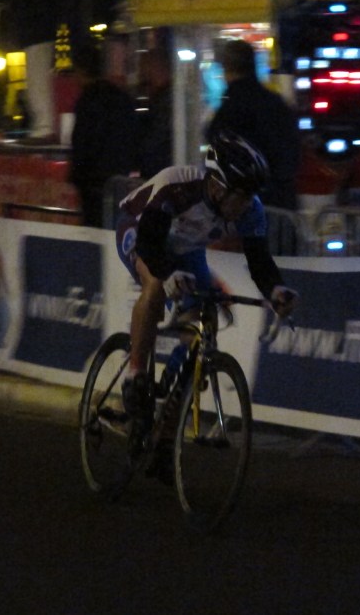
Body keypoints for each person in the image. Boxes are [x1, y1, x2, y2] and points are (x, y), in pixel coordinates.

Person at [115, 130, 297, 445]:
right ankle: (136, 376)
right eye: (240, 196)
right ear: (217, 186)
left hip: (187, 248)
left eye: (250, 196)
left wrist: (276, 291)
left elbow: (259, 261)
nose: (246, 204)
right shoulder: (177, 186)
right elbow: (149, 245)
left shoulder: (250, 210)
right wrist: (168, 274)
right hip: (140, 231)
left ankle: (171, 408)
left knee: (203, 320)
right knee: (156, 285)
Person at [206, 39, 301, 210]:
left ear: (227, 69)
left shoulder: (231, 108)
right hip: (281, 200)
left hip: (248, 205)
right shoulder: (275, 103)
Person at [70, 44, 139, 228]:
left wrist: (77, 176)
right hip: (119, 179)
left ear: (81, 70)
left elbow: (81, 144)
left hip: (93, 183)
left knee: (94, 228)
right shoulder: (121, 97)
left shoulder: (87, 100)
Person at [7, 0, 60, 145]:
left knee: (38, 82)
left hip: (39, 34)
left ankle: (44, 128)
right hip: (34, 35)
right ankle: (41, 126)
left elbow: (40, 4)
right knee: (34, 81)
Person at [137, 47, 173, 180]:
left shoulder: (164, 101)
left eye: (143, 66)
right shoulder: (164, 98)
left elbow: (154, 143)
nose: (140, 72)